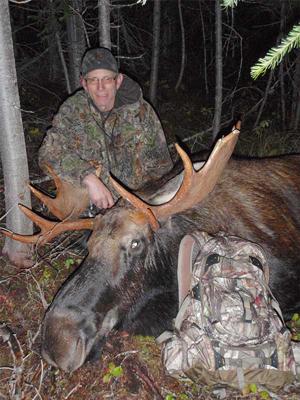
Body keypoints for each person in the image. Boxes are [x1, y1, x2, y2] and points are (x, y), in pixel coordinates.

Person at [38, 47, 173, 210]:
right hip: (97, 203)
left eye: (107, 79)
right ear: (84, 84)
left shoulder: (141, 112)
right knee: (70, 200)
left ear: (118, 81)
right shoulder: (73, 110)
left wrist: (146, 201)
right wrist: (87, 176)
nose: (100, 87)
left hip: (139, 202)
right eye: (93, 80)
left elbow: (161, 167)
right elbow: (48, 153)